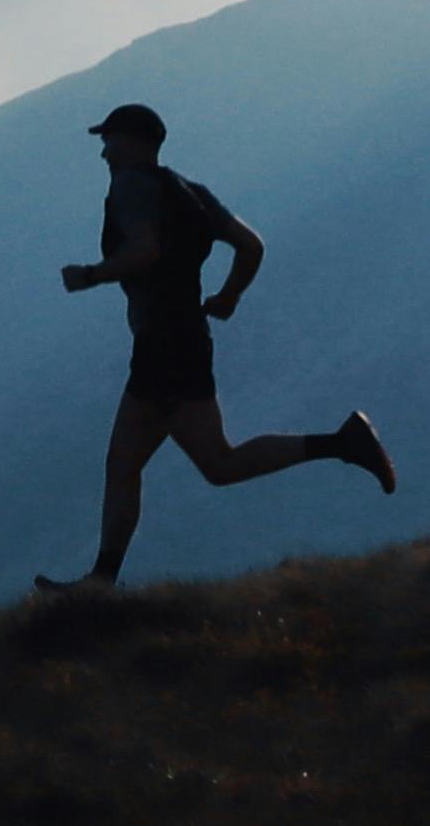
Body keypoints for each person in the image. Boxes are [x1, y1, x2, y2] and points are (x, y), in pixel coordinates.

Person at [49, 99, 389, 586]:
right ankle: (342, 442)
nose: (103, 153)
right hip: (187, 336)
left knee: (149, 464)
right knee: (201, 463)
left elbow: (146, 249)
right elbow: (251, 245)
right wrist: (229, 296)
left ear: (131, 142)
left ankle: (100, 584)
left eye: (108, 141)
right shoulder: (191, 192)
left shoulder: (130, 187)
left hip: (162, 343)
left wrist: (91, 275)